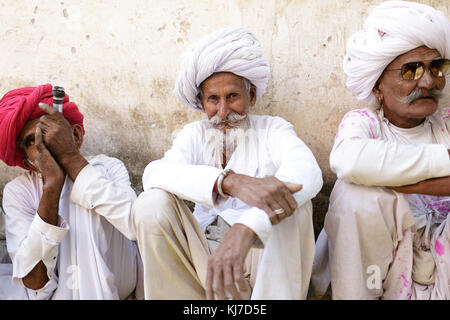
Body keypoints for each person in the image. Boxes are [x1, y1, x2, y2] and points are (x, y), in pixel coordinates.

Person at [132, 26, 323, 300]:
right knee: (150, 203)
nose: (223, 112)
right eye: (213, 99)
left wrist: (246, 229)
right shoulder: (194, 135)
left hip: (258, 255)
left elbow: (307, 175)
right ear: (201, 103)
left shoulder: (273, 130)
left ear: (252, 96)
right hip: (203, 259)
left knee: (294, 204)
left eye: (232, 96)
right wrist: (227, 182)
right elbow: (154, 174)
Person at [312, 1, 450, 300]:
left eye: (436, 67)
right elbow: (349, 161)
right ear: (377, 86)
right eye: (411, 70)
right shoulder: (364, 124)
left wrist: (396, 180)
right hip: (382, 273)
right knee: (355, 194)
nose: (428, 82)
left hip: (445, 266)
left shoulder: (447, 122)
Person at [0, 84, 143, 299]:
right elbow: (33, 280)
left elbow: (136, 225)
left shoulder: (109, 166)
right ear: (27, 161)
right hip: (58, 294)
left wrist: (70, 159)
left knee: (89, 184)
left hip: (120, 284)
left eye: (46, 132)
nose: (42, 146)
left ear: (74, 136)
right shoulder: (18, 192)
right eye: (32, 141)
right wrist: (52, 188)